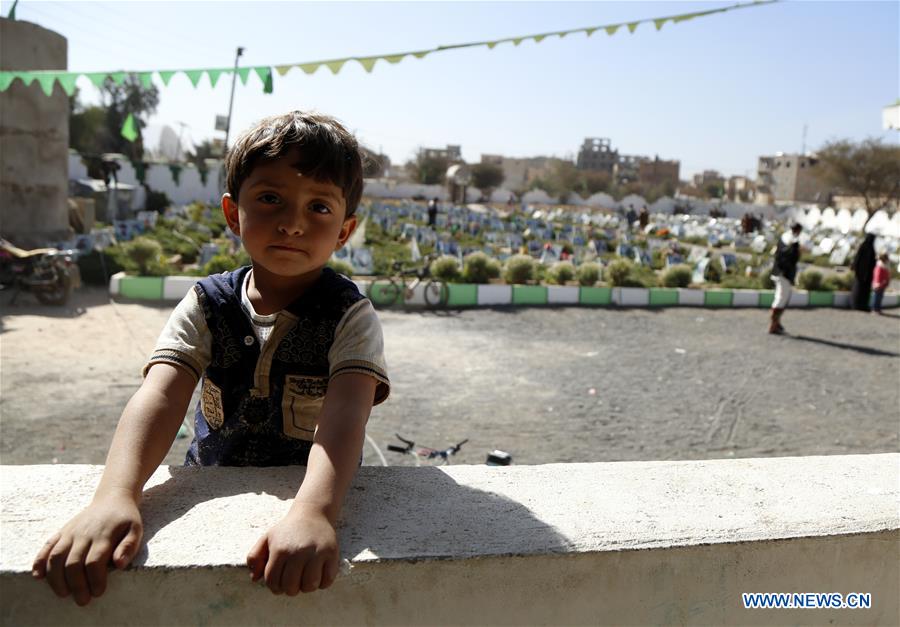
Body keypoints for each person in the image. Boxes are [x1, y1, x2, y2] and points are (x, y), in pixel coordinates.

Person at [32, 111, 390, 604]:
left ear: (345, 230)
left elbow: (347, 415)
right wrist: (115, 495)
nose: (292, 223)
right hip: (208, 478)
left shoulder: (350, 315)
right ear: (232, 212)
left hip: (303, 493)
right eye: (271, 198)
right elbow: (160, 395)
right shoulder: (206, 303)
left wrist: (314, 512)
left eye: (319, 207)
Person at [769, 223, 802, 334]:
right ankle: (774, 324)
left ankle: (777, 322)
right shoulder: (792, 242)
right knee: (781, 299)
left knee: (782, 298)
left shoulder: (784, 238)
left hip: (779, 272)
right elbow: (791, 259)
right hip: (784, 274)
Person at [851, 233, 877, 311]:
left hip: (867, 275)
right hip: (861, 274)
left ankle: (862, 305)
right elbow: (857, 259)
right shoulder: (864, 247)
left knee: (864, 291)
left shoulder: (870, 248)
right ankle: (856, 305)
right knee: (858, 289)